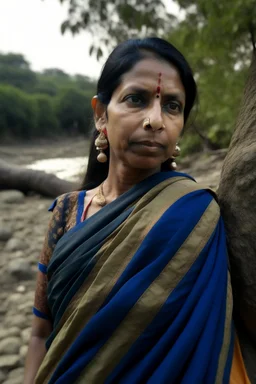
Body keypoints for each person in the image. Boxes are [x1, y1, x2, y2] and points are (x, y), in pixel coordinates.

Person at [24, 37, 251, 384]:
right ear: (101, 114)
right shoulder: (67, 213)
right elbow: (41, 333)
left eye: (172, 106)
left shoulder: (197, 215)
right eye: (136, 99)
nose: (155, 120)